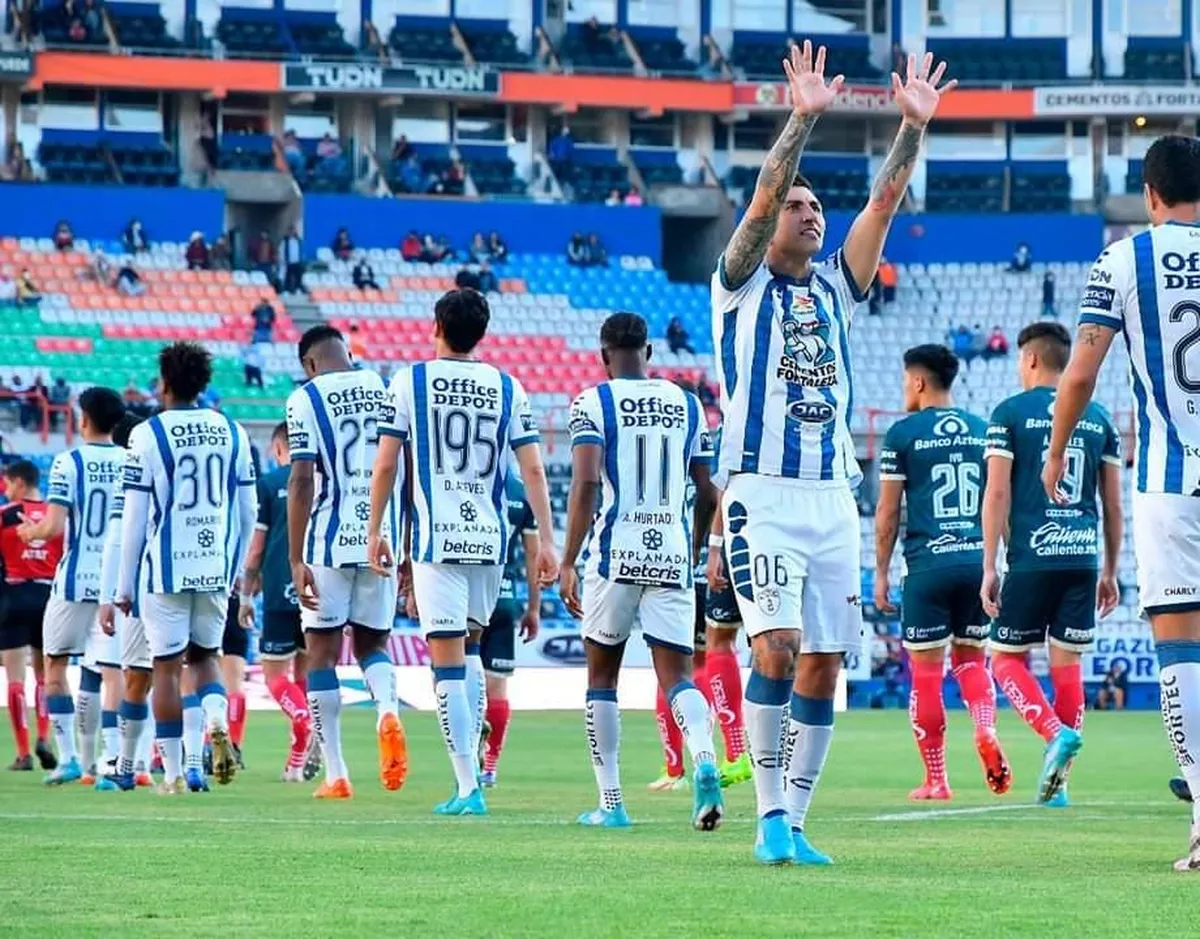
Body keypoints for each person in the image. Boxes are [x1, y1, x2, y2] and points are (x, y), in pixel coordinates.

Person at [710, 42, 955, 866]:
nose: (810, 214)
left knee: (823, 664)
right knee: (773, 647)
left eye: (817, 208)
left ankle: (799, 822)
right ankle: (768, 816)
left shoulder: (836, 285)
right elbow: (762, 196)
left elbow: (882, 203)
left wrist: (910, 130)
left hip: (830, 501)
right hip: (762, 495)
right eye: (799, 207)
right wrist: (804, 116)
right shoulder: (738, 281)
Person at [1043, 134, 1200, 870]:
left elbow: (1078, 375)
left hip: (1172, 482)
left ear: (1150, 192)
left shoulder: (1123, 259)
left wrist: (1055, 449)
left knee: (1180, 641)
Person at [367, 288, 559, 816]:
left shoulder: (409, 381)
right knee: (471, 649)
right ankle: (473, 774)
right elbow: (534, 469)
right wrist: (546, 538)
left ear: (436, 325)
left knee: (446, 661)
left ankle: (467, 786)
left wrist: (375, 528)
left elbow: (386, 466)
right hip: (490, 539)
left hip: (436, 538)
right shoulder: (507, 386)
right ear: (483, 332)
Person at [558, 311, 721, 830]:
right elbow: (709, 493)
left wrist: (566, 559)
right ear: (649, 353)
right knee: (678, 677)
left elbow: (585, 485)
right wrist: (692, 548)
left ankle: (611, 805)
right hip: (671, 553)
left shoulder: (592, 402)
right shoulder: (688, 404)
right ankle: (704, 760)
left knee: (602, 678)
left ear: (604, 355)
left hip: (614, 554)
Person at [981, 322, 1122, 808]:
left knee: (1004, 660)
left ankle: (1052, 732)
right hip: (1082, 556)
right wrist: (1110, 569)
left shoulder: (1009, 414)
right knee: (1068, 667)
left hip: (1032, 557)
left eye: (1022, 361)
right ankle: (1060, 786)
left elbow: (997, 492)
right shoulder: (1098, 416)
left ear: (1033, 360)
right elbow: (1113, 504)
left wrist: (989, 566)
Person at [113, 343, 257, 794]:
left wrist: (125, 584)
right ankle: (212, 729)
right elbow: (248, 510)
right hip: (215, 566)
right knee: (206, 662)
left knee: (168, 670)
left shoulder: (147, 435)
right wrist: (234, 567)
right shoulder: (233, 431)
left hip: (165, 569)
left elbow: (134, 519)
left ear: (165, 383)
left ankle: (174, 773)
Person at [874, 345, 1009, 801]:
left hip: (927, 566)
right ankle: (986, 729)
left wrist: (879, 572)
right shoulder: (982, 429)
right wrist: (999, 561)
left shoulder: (903, 434)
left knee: (926, 673)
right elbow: (1000, 499)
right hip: (976, 562)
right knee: (972, 660)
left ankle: (936, 779)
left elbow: (889, 513)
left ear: (917, 382)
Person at [285, 325, 407, 800]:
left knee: (321, 653)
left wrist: (295, 558)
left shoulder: (305, 399)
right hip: (382, 537)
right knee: (373, 644)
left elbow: (301, 480)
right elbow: (401, 463)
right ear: (348, 353)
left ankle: (337, 772)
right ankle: (387, 709)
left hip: (327, 541)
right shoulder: (381, 385)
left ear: (309, 365)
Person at [16, 387, 126, 785]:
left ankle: (70, 758)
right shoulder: (131, 461)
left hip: (75, 580)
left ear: (83, 419)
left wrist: (31, 533)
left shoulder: (68, 461)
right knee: (113, 672)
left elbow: (54, 526)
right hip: (115, 584)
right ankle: (112, 762)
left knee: (55, 665)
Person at [653, 423, 752, 791]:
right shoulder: (728, 437)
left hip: (683, 566)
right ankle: (738, 752)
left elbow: (716, 495)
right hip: (752, 548)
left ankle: (680, 766)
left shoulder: (657, 446)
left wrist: (707, 548)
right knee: (744, 653)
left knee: (675, 667)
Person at [239, 422, 315, 782]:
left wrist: (245, 594)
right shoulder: (323, 481)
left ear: (277, 448)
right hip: (318, 591)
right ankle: (297, 762)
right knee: (305, 676)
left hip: (279, 591)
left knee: (275, 677)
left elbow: (255, 550)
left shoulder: (268, 485)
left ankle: (302, 719)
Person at [96, 414, 157, 791]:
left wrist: (114, 594)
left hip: (138, 585)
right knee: (175, 674)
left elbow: (119, 538)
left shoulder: (130, 472)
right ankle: (177, 766)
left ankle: (120, 762)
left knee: (125, 676)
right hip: (191, 576)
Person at [478, 472, 542, 788]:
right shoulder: (521, 491)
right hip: (504, 595)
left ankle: (467, 748)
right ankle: (490, 766)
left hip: (469, 591)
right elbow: (533, 555)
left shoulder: (470, 478)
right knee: (497, 688)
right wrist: (533, 607)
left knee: (453, 676)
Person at [0, 460, 62, 772]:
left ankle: (23, 753)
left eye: (8, 484)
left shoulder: (5, 515)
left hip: (13, 593)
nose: (6, 490)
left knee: (14, 677)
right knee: (45, 674)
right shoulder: (56, 515)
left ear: (20, 483)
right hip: (48, 596)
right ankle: (43, 737)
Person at [280, 225, 304, 294]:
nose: (292, 232)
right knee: (287, 276)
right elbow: (281, 251)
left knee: (298, 276)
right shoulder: (285, 241)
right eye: (291, 231)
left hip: (297, 262)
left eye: (293, 231)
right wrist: (283, 260)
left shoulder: (298, 240)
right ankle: (286, 290)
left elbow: (300, 250)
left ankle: (297, 289)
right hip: (288, 262)